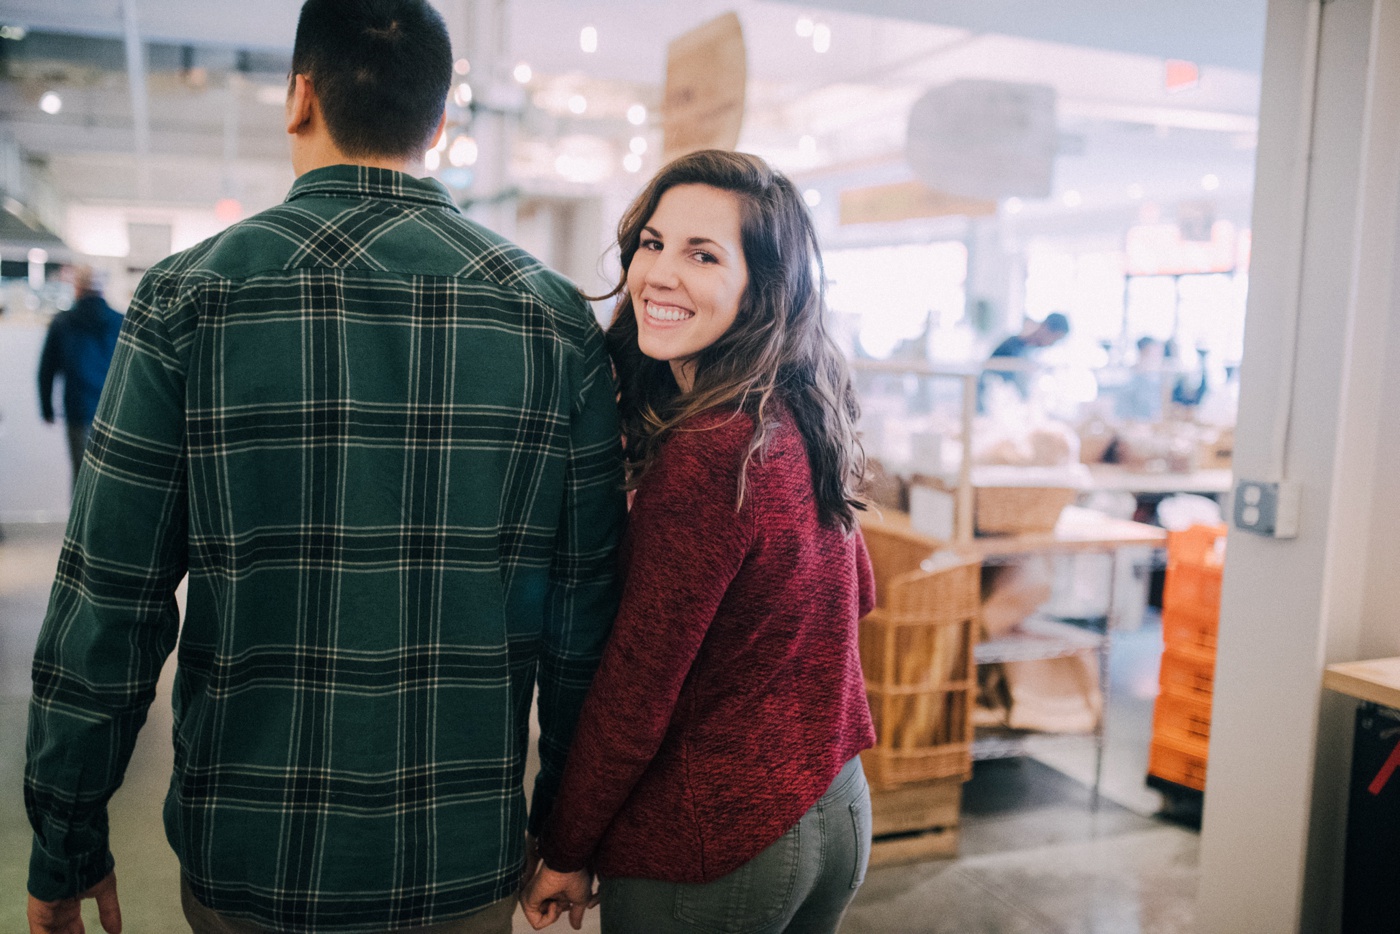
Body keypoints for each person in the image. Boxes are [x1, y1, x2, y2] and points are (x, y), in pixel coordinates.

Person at [23, 1, 624, 932]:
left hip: (251, 850)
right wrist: (567, 834)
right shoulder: (553, 321)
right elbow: (584, 619)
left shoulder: (191, 299)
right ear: (440, 121)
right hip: (456, 854)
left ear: (298, 96)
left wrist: (65, 838)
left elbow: (110, 599)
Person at [519, 150, 877, 934]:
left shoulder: (713, 453)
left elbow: (635, 697)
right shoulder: (797, 405)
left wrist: (566, 848)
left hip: (715, 841)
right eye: (652, 244)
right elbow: (862, 592)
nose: (659, 274)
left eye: (703, 254)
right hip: (833, 804)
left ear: (763, 286)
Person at [36, 264, 123, 486]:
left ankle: (80, 521)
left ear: (77, 288)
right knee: (113, 477)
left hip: (78, 408)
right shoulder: (121, 321)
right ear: (103, 289)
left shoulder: (62, 322)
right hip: (116, 412)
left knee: (82, 477)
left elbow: (47, 369)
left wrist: (47, 409)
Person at [979, 311, 1071, 407]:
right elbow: (997, 387)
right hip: (992, 406)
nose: (1052, 344)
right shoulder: (1011, 347)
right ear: (1045, 328)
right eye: (1054, 339)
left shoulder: (1033, 353)